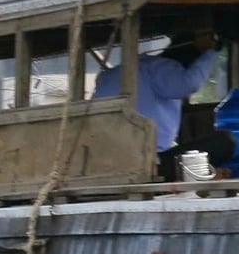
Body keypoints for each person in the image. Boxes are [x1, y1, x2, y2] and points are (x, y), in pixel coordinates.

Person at [92, 31, 229, 181]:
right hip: (147, 164)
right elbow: (189, 84)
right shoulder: (161, 68)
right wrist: (210, 53)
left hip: (103, 161)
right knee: (227, 140)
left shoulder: (117, 72)